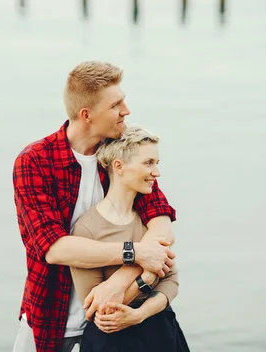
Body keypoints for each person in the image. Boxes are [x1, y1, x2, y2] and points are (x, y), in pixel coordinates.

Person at [12, 61, 177, 352]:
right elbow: (54, 249)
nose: (126, 111)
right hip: (51, 319)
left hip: (119, 319)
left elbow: (160, 221)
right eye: (116, 105)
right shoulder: (35, 161)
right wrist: (135, 253)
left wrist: (118, 282)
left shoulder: (122, 152)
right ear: (86, 115)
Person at [70, 124, 190, 351]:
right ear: (119, 167)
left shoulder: (152, 222)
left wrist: (138, 314)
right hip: (110, 340)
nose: (157, 172)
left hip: (161, 331)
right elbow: (98, 310)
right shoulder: (87, 229)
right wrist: (144, 277)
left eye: (156, 163)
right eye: (148, 163)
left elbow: (171, 281)